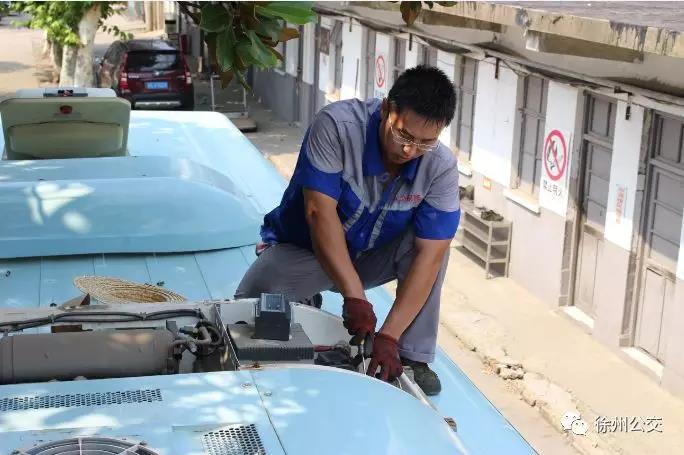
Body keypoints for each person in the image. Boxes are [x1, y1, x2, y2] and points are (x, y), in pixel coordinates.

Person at [236, 65, 459, 395]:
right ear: (386, 109)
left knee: (434, 247)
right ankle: (308, 295)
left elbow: (430, 256)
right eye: (404, 136)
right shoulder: (337, 127)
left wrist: (388, 336)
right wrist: (355, 297)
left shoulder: (440, 166)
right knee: (251, 305)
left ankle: (411, 355)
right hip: (310, 251)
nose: (410, 151)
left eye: (425, 143)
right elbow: (318, 213)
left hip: (371, 256)